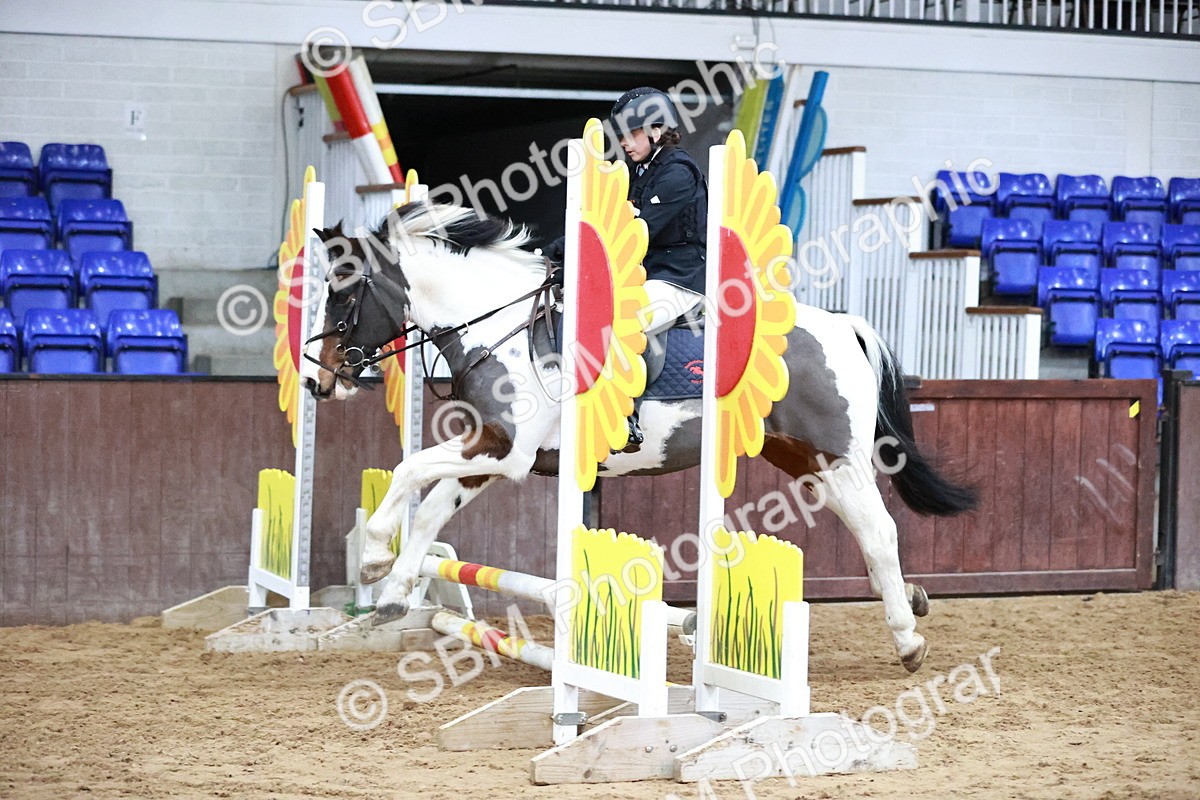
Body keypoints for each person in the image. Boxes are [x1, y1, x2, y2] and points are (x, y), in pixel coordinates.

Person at [546, 87, 708, 453]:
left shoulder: (678, 173)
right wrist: (557, 249)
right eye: (621, 135)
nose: (624, 142)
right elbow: (610, 219)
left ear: (655, 130)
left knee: (630, 321)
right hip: (652, 272)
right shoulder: (642, 171)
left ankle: (627, 413)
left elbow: (634, 230)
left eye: (631, 134)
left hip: (682, 278)